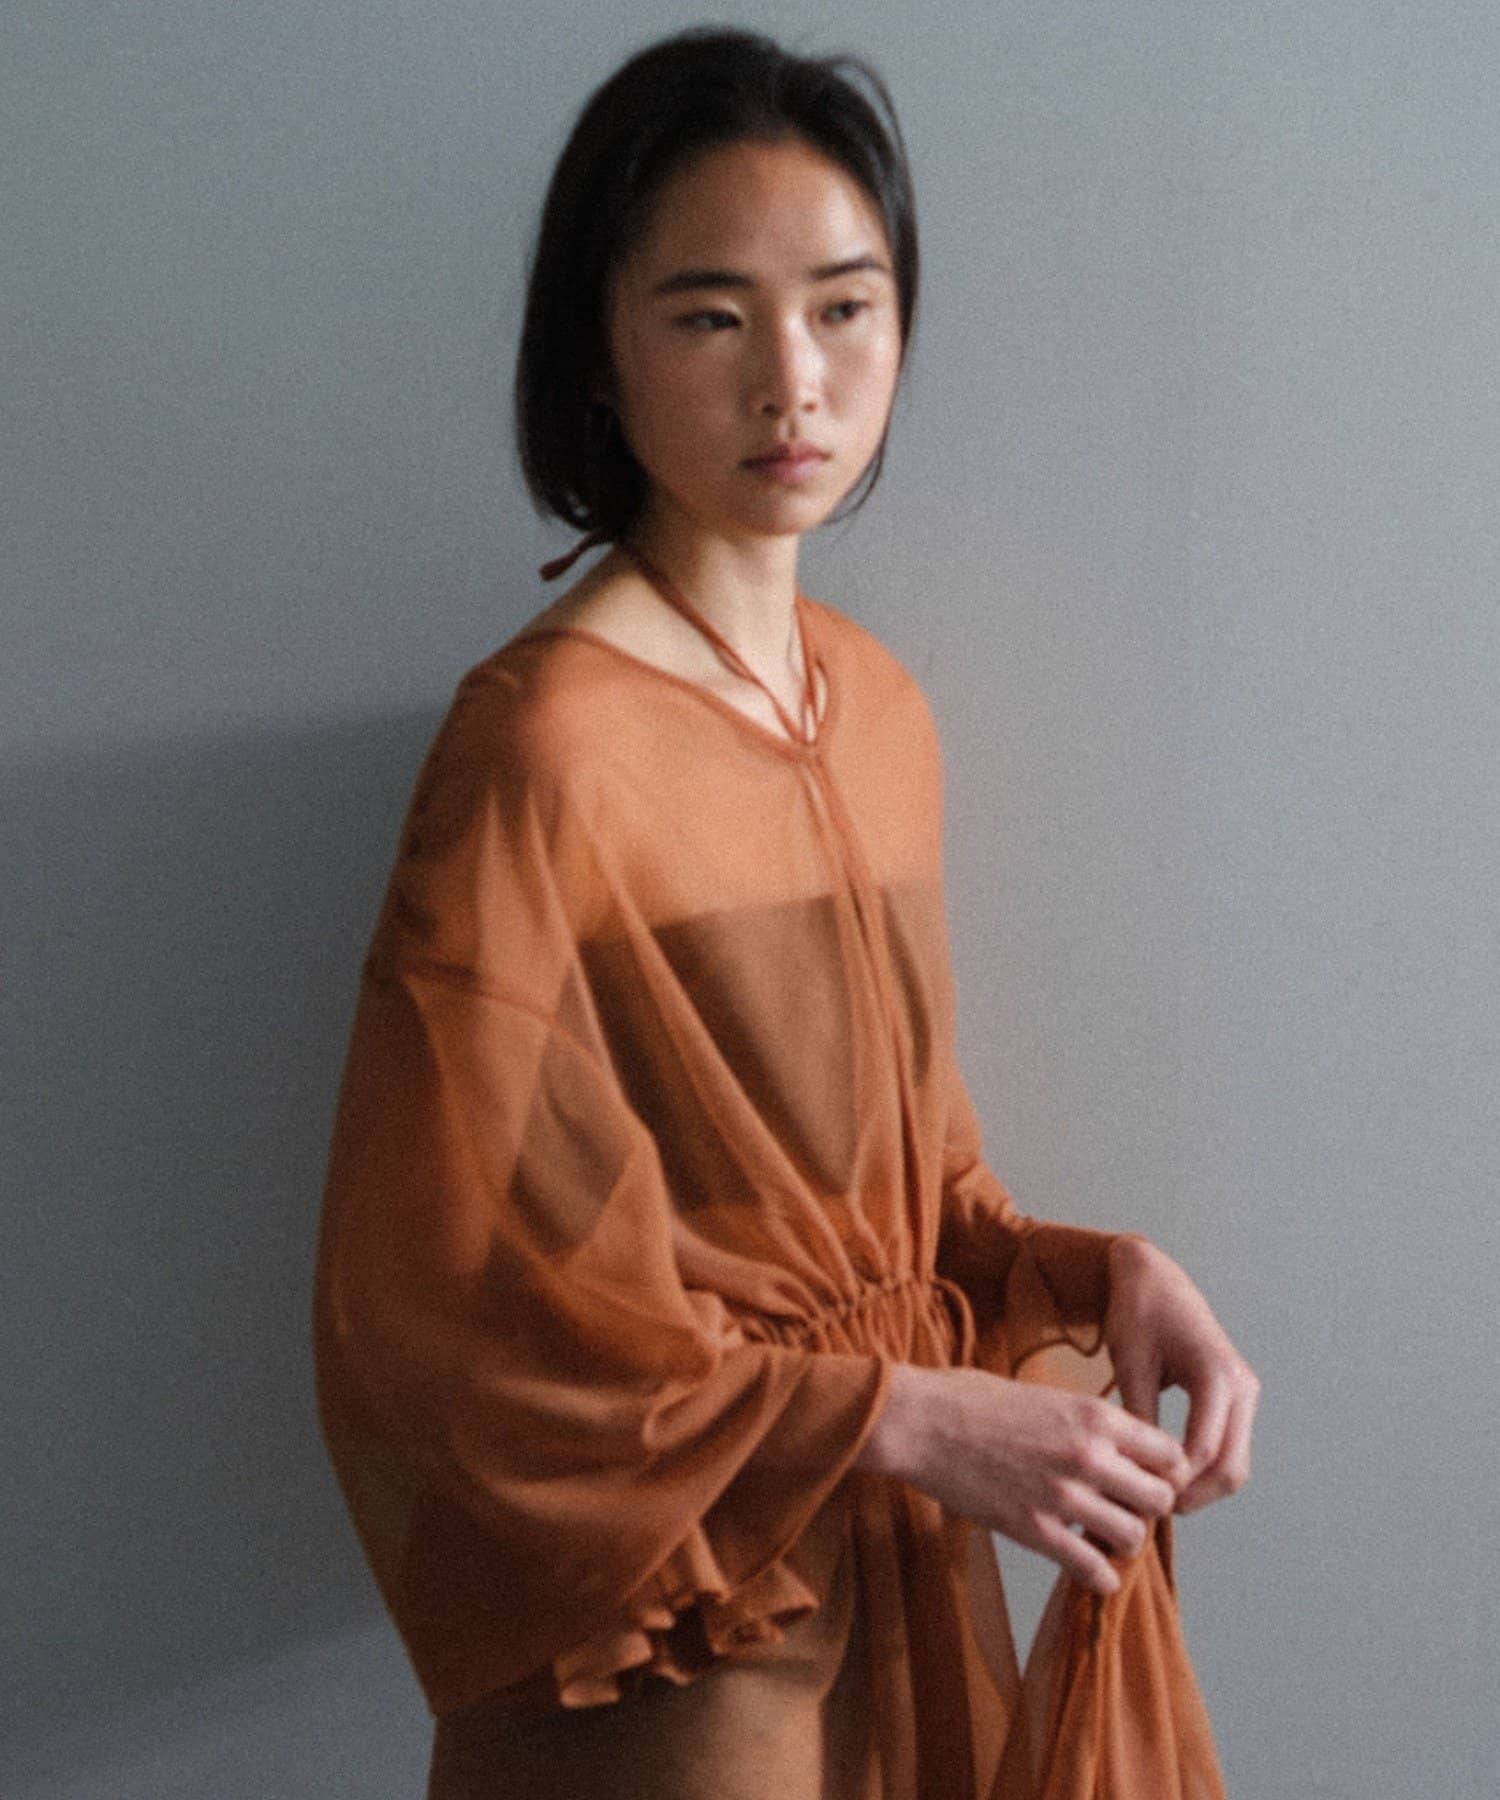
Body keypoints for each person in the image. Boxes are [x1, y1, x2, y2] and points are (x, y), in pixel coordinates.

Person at [312, 26, 1260, 1800]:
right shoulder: (544, 748)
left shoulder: (880, 709)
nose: (792, 384)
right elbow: (444, 1315)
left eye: (844, 308)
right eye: (710, 316)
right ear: (599, 351)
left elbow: (904, 1201)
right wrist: (896, 1412)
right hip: (689, 1629)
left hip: (911, 1573)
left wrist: (1102, 1275)